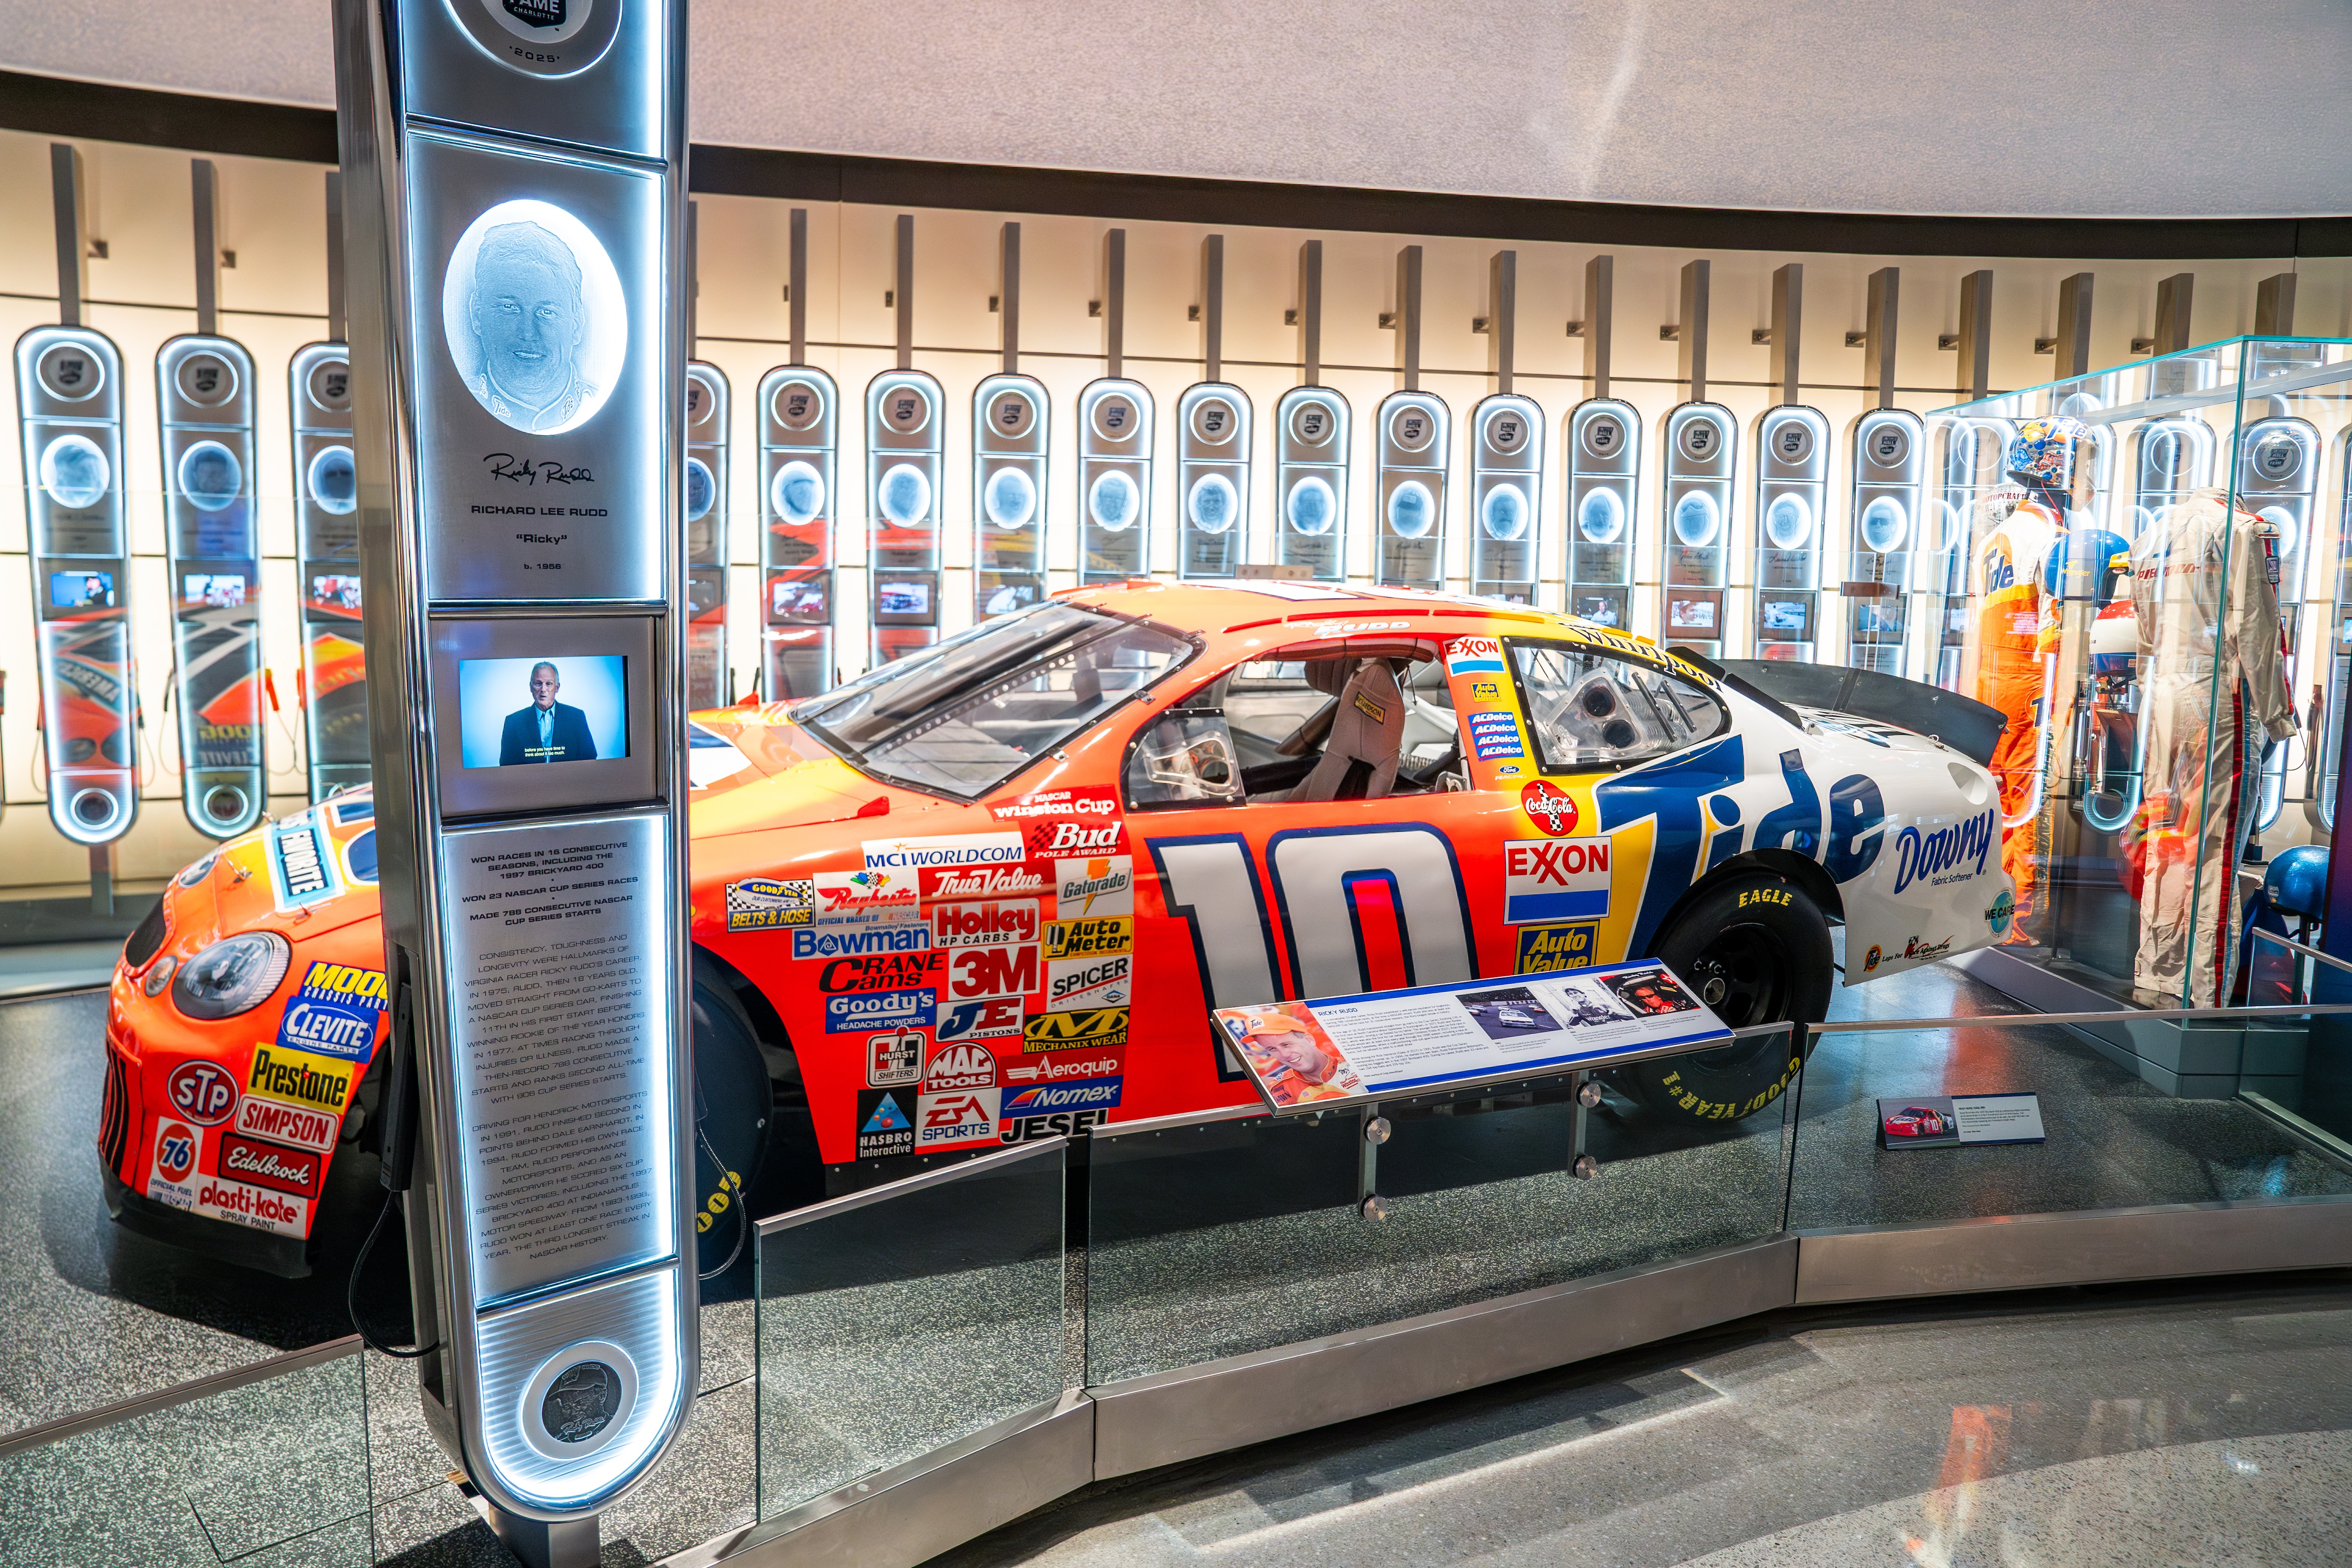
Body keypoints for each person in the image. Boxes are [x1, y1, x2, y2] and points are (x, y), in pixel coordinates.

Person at [2127, 489, 2296, 1005]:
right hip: (2217, 694)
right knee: (2213, 851)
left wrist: (2146, 691)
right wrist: (2278, 717)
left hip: (2162, 696)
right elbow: (2257, 629)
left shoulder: (2148, 537)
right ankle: (2202, 989)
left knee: (2162, 839)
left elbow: (2144, 634)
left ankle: (2153, 973)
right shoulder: (2243, 530)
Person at [462, 221, 597, 433]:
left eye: (547, 312)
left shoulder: (611, 412)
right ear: (477, 314)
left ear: (577, 325)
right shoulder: (445, 405)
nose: (528, 334)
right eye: (509, 307)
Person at [499, 661, 597, 764]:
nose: (543, 689)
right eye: (538, 684)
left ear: (557, 688)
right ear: (531, 687)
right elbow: (507, 764)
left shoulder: (576, 717)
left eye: (549, 684)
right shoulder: (513, 722)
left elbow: (590, 757)